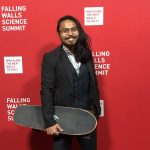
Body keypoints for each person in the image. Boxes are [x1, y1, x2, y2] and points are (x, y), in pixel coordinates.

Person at [40, 15, 101, 150]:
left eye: (73, 29)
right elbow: (46, 91)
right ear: (59, 34)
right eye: (65, 30)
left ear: (78, 31)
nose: (70, 34)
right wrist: (49, 122)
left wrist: (96, 112)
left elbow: (93, 84)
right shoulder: (51, 58)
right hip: (61, 120)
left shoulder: (87, 54)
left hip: (86, 117)